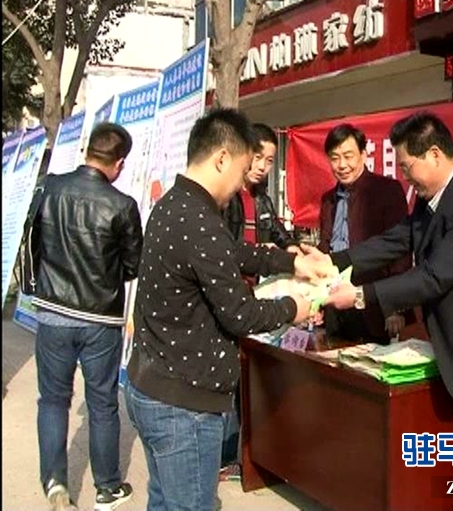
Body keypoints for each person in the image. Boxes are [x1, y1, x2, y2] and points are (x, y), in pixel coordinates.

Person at [316, 112, 453, 511]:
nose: (405, 177)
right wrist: (334, 261)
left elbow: (433, 277)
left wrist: (362, 294)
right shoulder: (431, 201)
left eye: (407, 166)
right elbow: (397, 239)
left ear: (434, 154)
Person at [124, 108, 326, 511]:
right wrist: (295, 306)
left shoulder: (175, 205)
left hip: (153, 385)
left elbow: (232, 252)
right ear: (221, 158)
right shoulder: (199, 220)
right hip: (184, 405)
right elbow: (241, 315)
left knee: (164, 503)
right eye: (242, 170)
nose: (241, 185)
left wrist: (292, 262)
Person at [29, 122, 142, 511]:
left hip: (53, 314)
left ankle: (55, 482)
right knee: (102, 403)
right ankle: (107, 488)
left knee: (52, 400)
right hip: (100, 320)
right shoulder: (122, 205)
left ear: (87, 150)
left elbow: (34, 243)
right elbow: (133, 265)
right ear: (119, 163)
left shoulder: (49, 188)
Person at [319, 123, 414, 343]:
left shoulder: (386, 190)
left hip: (372, 305)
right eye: (335, 158)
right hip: (335, 305)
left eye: (348, 156)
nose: (342, 165)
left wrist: (395, 307)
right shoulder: (328, 199)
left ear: (363, 154)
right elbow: (326, 245)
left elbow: (400, 252)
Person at [223, 123, 298, 252]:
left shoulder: (264, 201)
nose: (262, 167)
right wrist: (258, 250)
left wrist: (292, 248)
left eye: (269, 161)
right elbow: (220, 244)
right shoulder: (225, 197)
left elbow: (280, 234)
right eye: (258, 157)